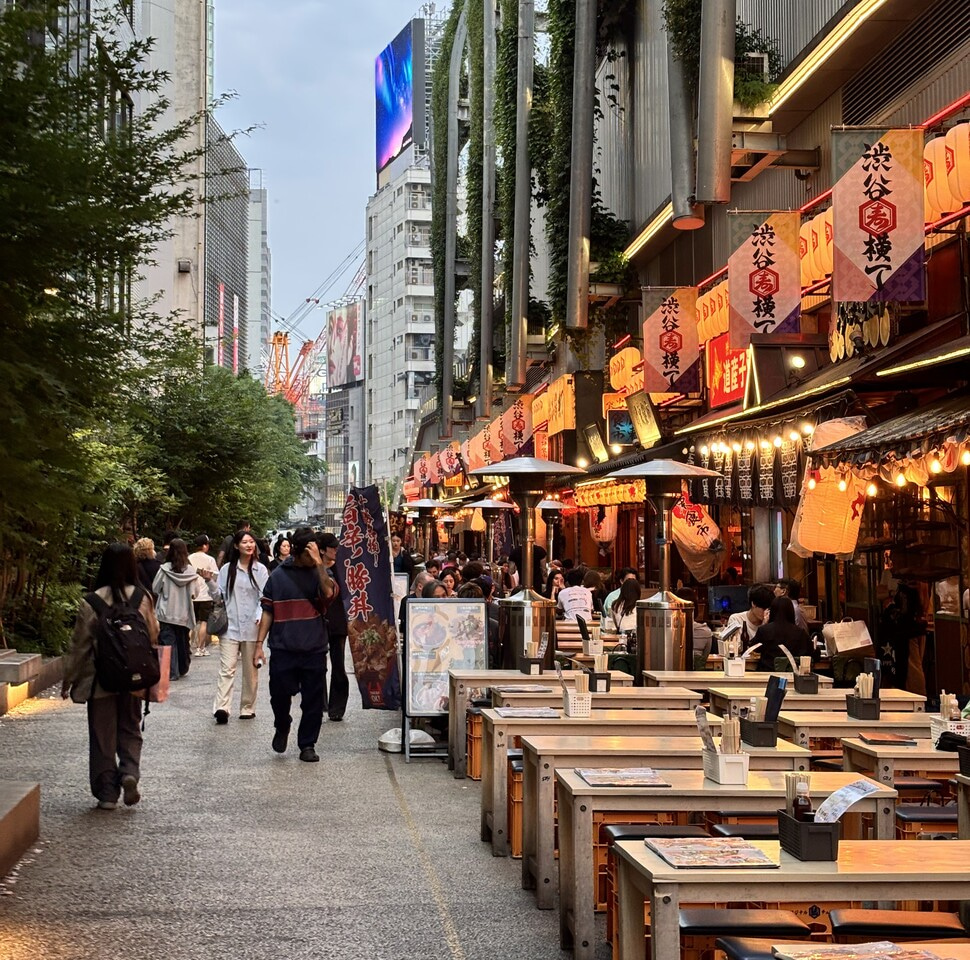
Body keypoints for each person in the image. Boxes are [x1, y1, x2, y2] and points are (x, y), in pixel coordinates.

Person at [61, 543, 160, 810]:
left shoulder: (91, 600)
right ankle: (129, 771)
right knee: (130, 726)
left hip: (100, 680)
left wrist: (69, 678)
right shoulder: (142, 597)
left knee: (102, 735)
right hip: (133, 677)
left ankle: (107, 793)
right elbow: (152, 635)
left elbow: (80, 644)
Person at [254, 528, 335, 762]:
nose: (314, 556)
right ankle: (282, 724)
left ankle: (307, 744)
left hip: (314, 648)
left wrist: (320, 564)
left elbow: (328, 593)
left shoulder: (321, 574)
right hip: (283, 647)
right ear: (299, 552)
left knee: (313, 699)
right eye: (310, 552)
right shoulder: (278, 576)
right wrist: (259, 644)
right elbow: (268, 611)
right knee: (278, 695)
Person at [211, 530, 269, 724]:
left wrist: (260, 614)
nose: (249, 545)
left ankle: (247, 707)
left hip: (253, 627)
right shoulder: (227, 569)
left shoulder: (260, 570)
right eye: (244, 542)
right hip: (230, 627)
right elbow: (219, 596)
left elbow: (265, 597)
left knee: (250, 671)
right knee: (227, 668)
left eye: (252, 542)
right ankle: (222, 707)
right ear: (236, 546)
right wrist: (209, 582)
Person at [153, 538, 207, 680]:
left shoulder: (164, 569)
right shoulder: (190, 571)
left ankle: (172, 671)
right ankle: (183, 667)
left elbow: (155, 588)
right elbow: (195, 592)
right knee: (182, 640)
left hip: (166, 612)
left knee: (168, 642)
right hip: (184, 613)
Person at [318, 532, 349, 723]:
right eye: (332, 547)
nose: (336, 550)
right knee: (318, 665)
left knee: (338, 664)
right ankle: (320, 703)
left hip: (338, 620)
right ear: (322, 550)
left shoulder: (341, 567)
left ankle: (337, 707)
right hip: (318, 620)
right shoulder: (315, 568)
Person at [754, 596, 812, 671]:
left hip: (768, 673)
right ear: (791, 611)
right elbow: (810, 652)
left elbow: (753, 648)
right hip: (793, 675)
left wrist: (764, 623)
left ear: (772, 611)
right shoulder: (800, 632)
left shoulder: (764, 630)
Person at [188, 534, 219, 656]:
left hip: (192, 594)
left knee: (191, 623)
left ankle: (188, 647)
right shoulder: (210, 559)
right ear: (205, 545)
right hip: (206, 595)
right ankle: (200, 649)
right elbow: (216, 575)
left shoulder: (189, 558)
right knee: (204, 622)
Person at [723, 583, 774, 648]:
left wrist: (765, 627)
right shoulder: (737, 619)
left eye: (768, 609)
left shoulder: (770, 622)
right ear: (753, 604)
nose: (766, 613)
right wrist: (763, 629)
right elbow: (737, 648)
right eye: (763, 608)